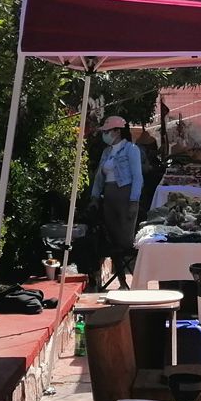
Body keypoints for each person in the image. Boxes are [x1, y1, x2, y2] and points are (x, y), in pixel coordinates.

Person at [90, 115, 144, 289]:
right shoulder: (107, 152)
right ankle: (121, 281)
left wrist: (134, 201)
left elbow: (137, 177)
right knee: (112, 242)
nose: (105, 135)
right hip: (110, 196)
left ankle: (136, 282)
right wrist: (94, 197)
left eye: (107, 131)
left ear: (117, 131)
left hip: (125, 196)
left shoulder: (131, 149)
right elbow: (99, 176)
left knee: (125, 242)